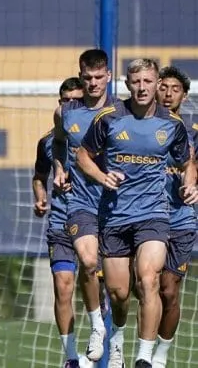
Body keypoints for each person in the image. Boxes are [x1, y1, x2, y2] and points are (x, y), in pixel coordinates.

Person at [77, 59, 198, 368]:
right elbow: (83, 155)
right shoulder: (109, 118)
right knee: (119, 293)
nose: (142, 88)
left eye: (148, 81)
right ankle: (117, 337)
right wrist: (101, 176)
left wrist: (190, 184)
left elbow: (187, 162)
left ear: (156, 83)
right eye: (136, 82)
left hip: (154, 215)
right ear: (127, 84)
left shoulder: (172, 124)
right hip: (115, 215)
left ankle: (145, 357)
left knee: (149, 278)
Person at [53, 49, 115, 362]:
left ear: (109, 76)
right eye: (87, 77)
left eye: (98, 77)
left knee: (121, 289)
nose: (93, 83)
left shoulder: (122, 112)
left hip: (118, 207)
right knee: (88, 262)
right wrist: (58, 168)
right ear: (80, 76)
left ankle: (117, 344)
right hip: (80, 204)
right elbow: (58, 143)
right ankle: (95, 327)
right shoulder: (66, 112)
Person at [32, 77, 84, 368]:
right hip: (61, 221)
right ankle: (71, 357)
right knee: (63, 286)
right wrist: (41, 198)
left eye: (77, 101)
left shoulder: (99, 134)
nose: (71, 106)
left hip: (96, 221)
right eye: (66, 101)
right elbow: (39, 177)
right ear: (59, 103)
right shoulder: (47, 142)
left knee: (109, 288)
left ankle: (112, 347)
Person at [151, 66, 198, 368]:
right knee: (141, 287)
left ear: (185, 96)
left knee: (168, 290)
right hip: (145, 218)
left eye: (175, 89)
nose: (168, 94)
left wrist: (193, 186)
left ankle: (160, 354)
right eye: (163, 87)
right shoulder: (140, 128)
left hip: (180, 220)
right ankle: (136, 350)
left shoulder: (193, 135)